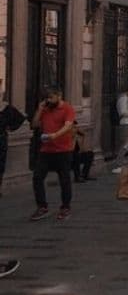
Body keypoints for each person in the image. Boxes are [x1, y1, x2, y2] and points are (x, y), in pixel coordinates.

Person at [30, 87, 76, 221]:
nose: (48, 100)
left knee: (64, 180)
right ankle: (42, 206)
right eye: (47, 98)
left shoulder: (67, 108)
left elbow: (68, 125)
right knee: (37, 177)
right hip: (46, 151)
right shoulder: (45, 109)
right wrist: (39, 109)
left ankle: (65, 207)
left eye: (51, 97)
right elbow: (34, 124)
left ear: (59, 95)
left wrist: (54, 135)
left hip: (63, 151)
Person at [0, 96, 26, 196]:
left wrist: (11, 128)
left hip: (1, 140)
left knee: (0, 165)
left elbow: (20, 118)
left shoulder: (6, 108)